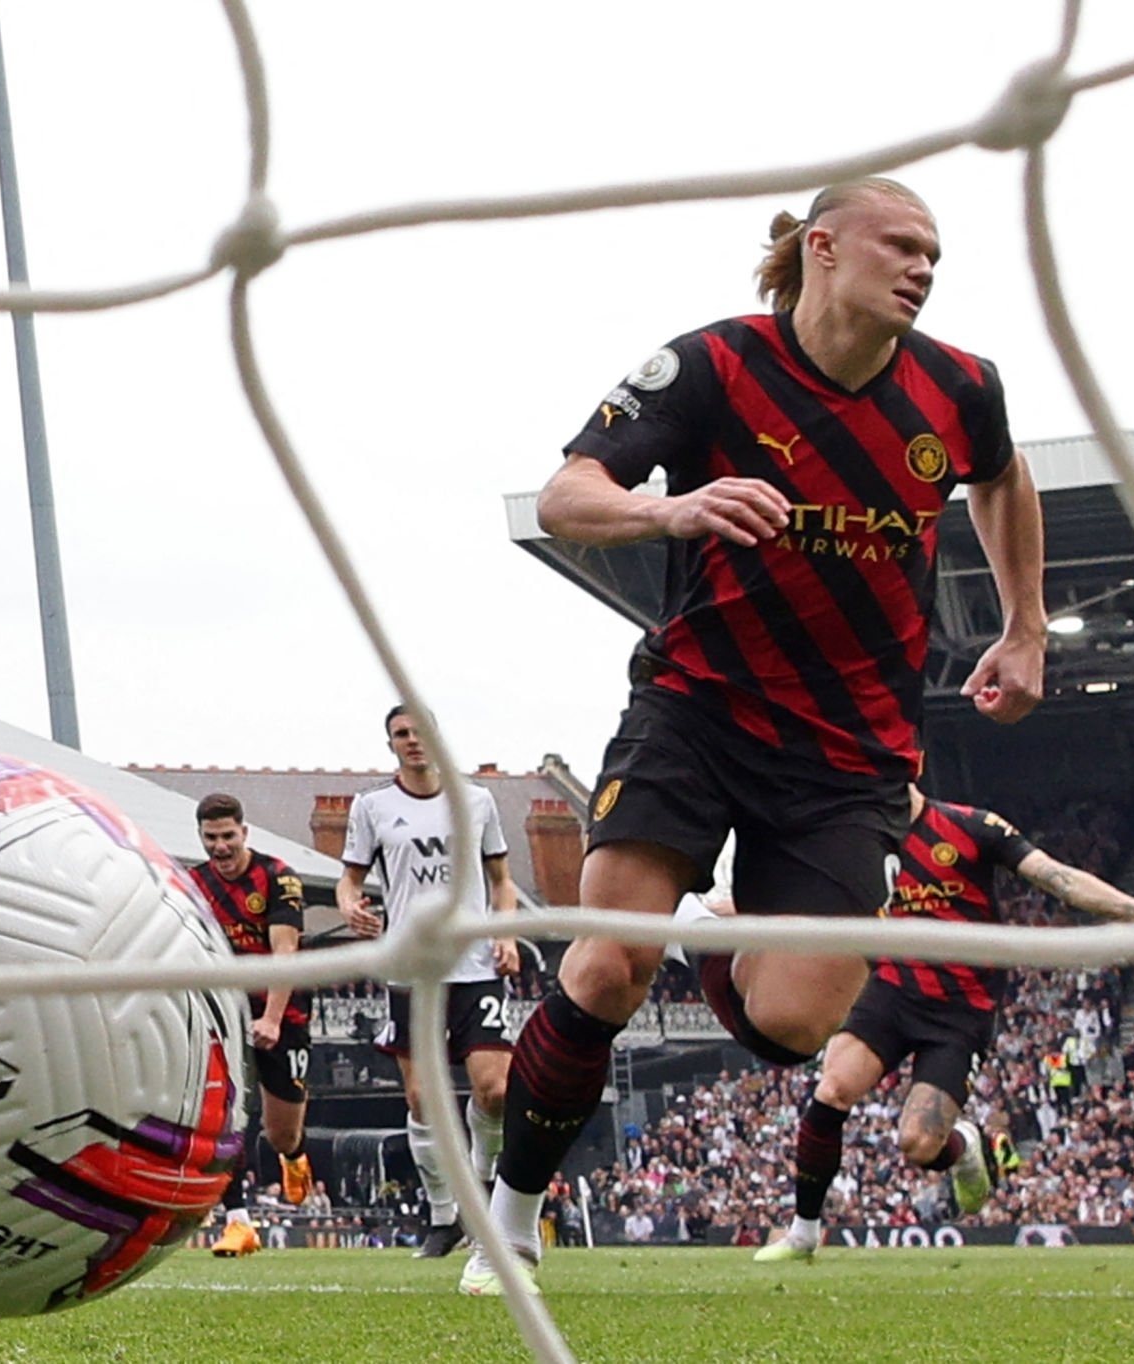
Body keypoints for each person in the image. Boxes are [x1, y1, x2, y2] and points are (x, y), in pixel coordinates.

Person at [464, 178, 1047, 1297]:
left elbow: (1000, 475)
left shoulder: (958, 386)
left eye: (934, 252)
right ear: (821, 249)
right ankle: (516, 1216)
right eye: (901, 246)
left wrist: (1023, 626)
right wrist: (668, 508)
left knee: (791, 1025)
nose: (922, 267)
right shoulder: (711, 366)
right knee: (599, 964)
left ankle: (701, 926)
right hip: (696, 709)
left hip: (849, 753)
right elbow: (563, 494)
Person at [756, 786, 1134, 1261]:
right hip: (888, 994)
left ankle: (965, 1146)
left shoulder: (971, 827)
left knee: (918, 1145)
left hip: (960, 1010)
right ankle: (804, 1231)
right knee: (832, 1091)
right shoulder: (861, 841)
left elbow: (1059, 879)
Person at [339, 706, 520, 1260]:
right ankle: (444, 1218)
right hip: (411, 971)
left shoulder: (477, 801)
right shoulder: (372, 807)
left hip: (474, 968)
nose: (413, 741)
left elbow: (502, 881)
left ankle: (483, 1188)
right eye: (401, 734)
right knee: (422, 1098)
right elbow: (349, 881)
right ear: (390, 743)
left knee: (496, 1091)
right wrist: (351, 909)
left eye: (420, 732)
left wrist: (507, 933)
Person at [186, 792, 315, 1258]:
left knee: (280, 1132)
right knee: (226, 1116)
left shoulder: (279, 879)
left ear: (244, 833)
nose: (219, 847)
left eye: (227, 836)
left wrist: (273, 1020)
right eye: (210, 838)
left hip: (283, 1010)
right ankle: (238, 1222)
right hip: (226, 1009)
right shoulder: (192, 885)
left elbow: (286, 953)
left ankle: (295, 1155)